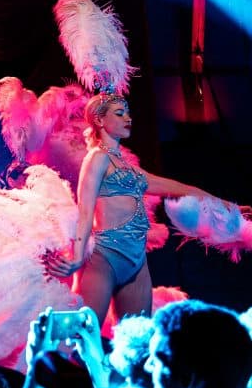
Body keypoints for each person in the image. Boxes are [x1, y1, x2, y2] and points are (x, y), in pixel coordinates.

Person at [46, 94, 244, 325]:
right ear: (99, 120)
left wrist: (227, 206)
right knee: (84, 333)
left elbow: (179, 188)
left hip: (136, 261)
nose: (128, 118)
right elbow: (85, 210)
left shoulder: (131, 170)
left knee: (137, 337)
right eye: (119, 113)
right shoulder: (97, 158)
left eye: (128, 113)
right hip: (104, 258)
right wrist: (78, 256)